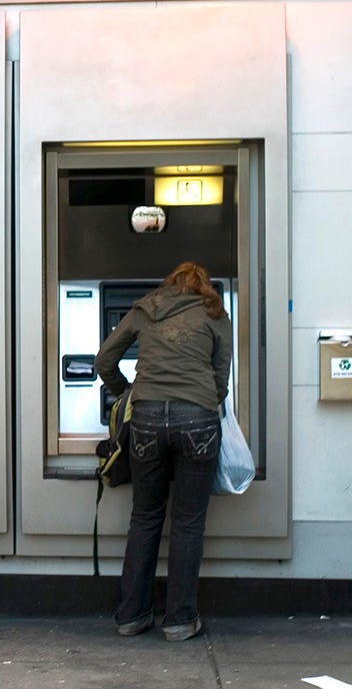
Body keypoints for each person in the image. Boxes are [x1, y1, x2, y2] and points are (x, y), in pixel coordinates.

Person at [94, 260, 232, 642]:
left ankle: (132, 616)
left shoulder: (145, 308)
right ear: (203, 287)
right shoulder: (215, 311)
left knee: (145, 518)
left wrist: (125, 391)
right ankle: (180, 620)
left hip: (148, 418)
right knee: (188, 523)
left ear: (169, 285)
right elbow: (222, 375)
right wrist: (205, 400)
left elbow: (104, 359)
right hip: (198, 420)